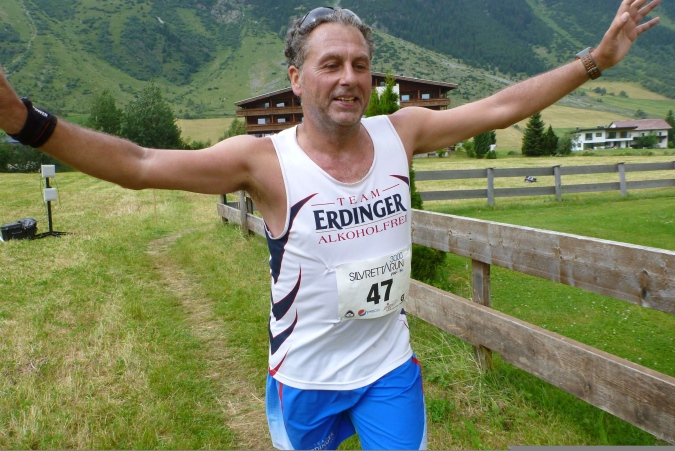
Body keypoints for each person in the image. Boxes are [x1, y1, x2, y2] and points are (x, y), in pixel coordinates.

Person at [0, 1, 661, 448]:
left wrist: (594, 61)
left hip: (387, 369)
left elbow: (500, 107)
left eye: (360, 65)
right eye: (331, 64)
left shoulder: (402, 132)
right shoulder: (263, 161)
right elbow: (140, 164)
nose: (349, 78)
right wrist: (25, 122)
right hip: (305, 379)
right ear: (296, 79)